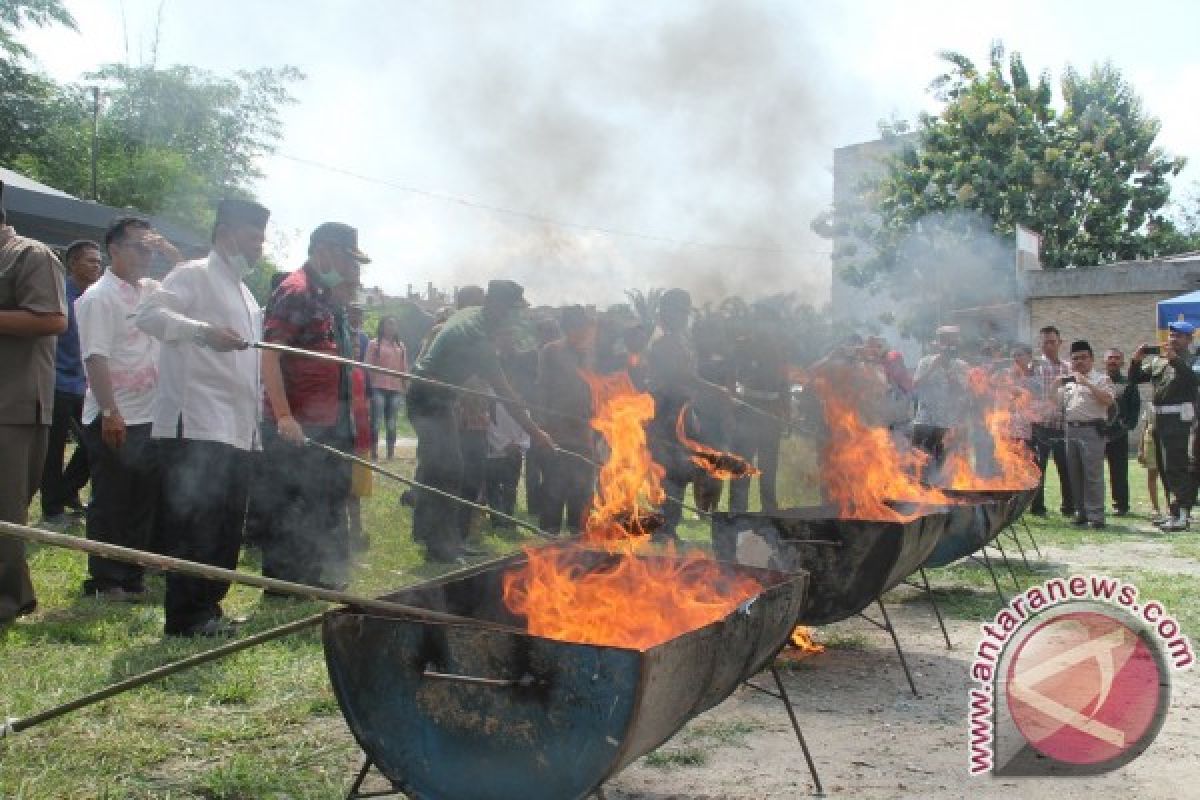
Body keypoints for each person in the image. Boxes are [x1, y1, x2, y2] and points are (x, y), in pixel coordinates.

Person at [135, 198, 268, 637]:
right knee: (196, 523)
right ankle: (186, 616)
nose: (259, 248)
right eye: (254, 237)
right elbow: (150, 315)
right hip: (195, 422)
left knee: (227, 526)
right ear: (227, 233)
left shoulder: (247, 295)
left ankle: (209, 608)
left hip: (236, 428)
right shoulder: (191, 274)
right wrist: (202, 332)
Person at [407, 280, 553, 561]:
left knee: (450, 469)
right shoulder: (477, 340)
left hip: (441, 397)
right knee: (446, 469)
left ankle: (446, 540)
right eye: (514, 310)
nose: (518, 317)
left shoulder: (473, 314)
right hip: (428, 397)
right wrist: (536, 433)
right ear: (498, 307)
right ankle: (440, 546)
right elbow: (507, 396)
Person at [259, 222, 368, 590]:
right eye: (345, 257)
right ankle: (287, 584)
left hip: (331, 419)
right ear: (323, 250)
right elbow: (271, 356)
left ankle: (322, 575)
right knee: (293, 502)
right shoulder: (296, 291)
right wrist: (285, 416)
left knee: (327, 496)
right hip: (298, 421)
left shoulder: (326, 295)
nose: (349, 267)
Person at [76, 217, 178, 600]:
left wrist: (170, 252)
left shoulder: (151, 290)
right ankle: (105, 579)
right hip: (116, 413)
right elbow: (95, 356)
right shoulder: (99, 297)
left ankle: (131, 575)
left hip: (151, 413)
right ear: (114, 250)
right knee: (112, 499)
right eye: (137, 247)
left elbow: (191, 286)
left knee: (143, 499)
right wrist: (109, 411)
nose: (145, 256)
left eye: (150, 248)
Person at [0, 182, 67, 623]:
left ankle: (6, 599)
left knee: (5, 509)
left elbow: (52, 319)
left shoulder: (30, 255)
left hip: (14, 403)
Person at [645, 288, 730, 541]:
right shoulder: (664, 342)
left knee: (682, 471)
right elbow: (681, 376)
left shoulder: (682, 340)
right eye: (678, 312)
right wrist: (714, 388)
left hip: (683, 413)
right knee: (669, 471)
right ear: (667, 313)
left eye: (684, 312)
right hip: (665, 416)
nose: (682, 317)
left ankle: (669, 527)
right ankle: (663, 529)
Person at [39, 240, 102, 526]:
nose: (97, 266)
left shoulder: (97, 297)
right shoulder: (60, 293)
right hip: (57, 381)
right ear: (73, 262)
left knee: (96, 442)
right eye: (90, 261)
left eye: (99, 262)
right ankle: (52, 509)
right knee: (53, 450)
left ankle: (67, 491)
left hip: (85, 384)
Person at [1131, 322, 1200, 531]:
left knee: (1177, 467)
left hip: (1180, 420)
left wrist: (1176, 361)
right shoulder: (1159, 362)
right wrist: (1136, 360)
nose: (1173, 339)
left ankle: (1182, 515)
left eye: (1179, 336)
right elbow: (1135, 379)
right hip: (1159, 420)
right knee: (1163, 469)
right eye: (1171, 335)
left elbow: (1193, 380)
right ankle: (1173, 511)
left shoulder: (1193, 360)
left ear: (1189, 339)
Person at [536, 305, 597, 534]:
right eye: (575, 326)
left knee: (581, 489)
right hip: (557, 432)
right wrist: (541, 427)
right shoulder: (551, 351)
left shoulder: (591, 354)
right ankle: (549, 535)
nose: (580, 331)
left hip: (584, 434)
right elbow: (542, 389)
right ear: (566, 327)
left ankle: (578, 534)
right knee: (554, 486)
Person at [729, 305, 790, 514]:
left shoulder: (780, 349)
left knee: (769, 468)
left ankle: (770, 513)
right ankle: (737, 512)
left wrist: (786, 412)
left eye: (772, 323)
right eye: (764, 322)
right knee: (742, 465)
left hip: (772, 415)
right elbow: (733, 377)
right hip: (748, 410)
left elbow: (785, 383)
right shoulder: (744, 346)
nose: (768, 327)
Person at [1058, 340, 1115, 528]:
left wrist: (1088, 383)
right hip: (1071, 430)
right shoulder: (1069, 383)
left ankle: (1096, 516)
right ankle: (1081, 513)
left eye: (1083, 358)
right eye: (1075, 359)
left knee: (1092, 475)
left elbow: (1108, 400)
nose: (1079, 362)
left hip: (1092, 430)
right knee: (1074, 474)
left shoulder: (1101, 379)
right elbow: (1056, 405)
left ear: (1091, 359)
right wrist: (1054, 386)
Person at [911, 326, 969, 477]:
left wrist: (950, 375)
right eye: (943, 340)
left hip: (947, 422)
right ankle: (917, 494)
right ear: (937, 343)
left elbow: (963, 391)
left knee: (941, 465)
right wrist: (932, 368)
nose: (947, 345)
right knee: (919, 461)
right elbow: (914, 385)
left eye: (951, 340)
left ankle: (937, 495)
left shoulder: (961, 365)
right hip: (925, 420)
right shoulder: (925, 362)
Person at [1030, 325, 1074, 517]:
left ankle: (1069, 507)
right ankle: (1037, 507)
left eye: (1052, 342)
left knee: (1066, 468)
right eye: (1044, 343)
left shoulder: (1069, 368)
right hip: (1040, 427)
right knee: (1038, 470)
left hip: (1063, 427)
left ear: (1060, 343)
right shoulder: (1035, 367)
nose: (1048, 346)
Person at [1102, 348, 1140, 517]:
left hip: (1118, 434)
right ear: (1104, 361)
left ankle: (1121, 505)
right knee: (1093, 471)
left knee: (1119, 471)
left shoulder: (1129, 384)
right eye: (1110, 358)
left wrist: (1127, 426)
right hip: (1098, 433)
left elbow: (1135, 408)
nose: (1113, 361)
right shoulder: (1099, 382)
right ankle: (1095, 504)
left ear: (1122, 362)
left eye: (1117, 358)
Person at [365, 315, 407, 460]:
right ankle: (374, 452)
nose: (391, 327)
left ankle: (390, 454)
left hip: (395, 389)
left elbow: (403, 369)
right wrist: (369, 386)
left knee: (391, 422)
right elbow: (367, 366)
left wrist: (405, 387)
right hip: (378, 387)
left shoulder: (401, 346)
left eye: (394, 325)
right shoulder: (374, 344)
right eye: (388, 324)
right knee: (376, 421)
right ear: (382, 327)